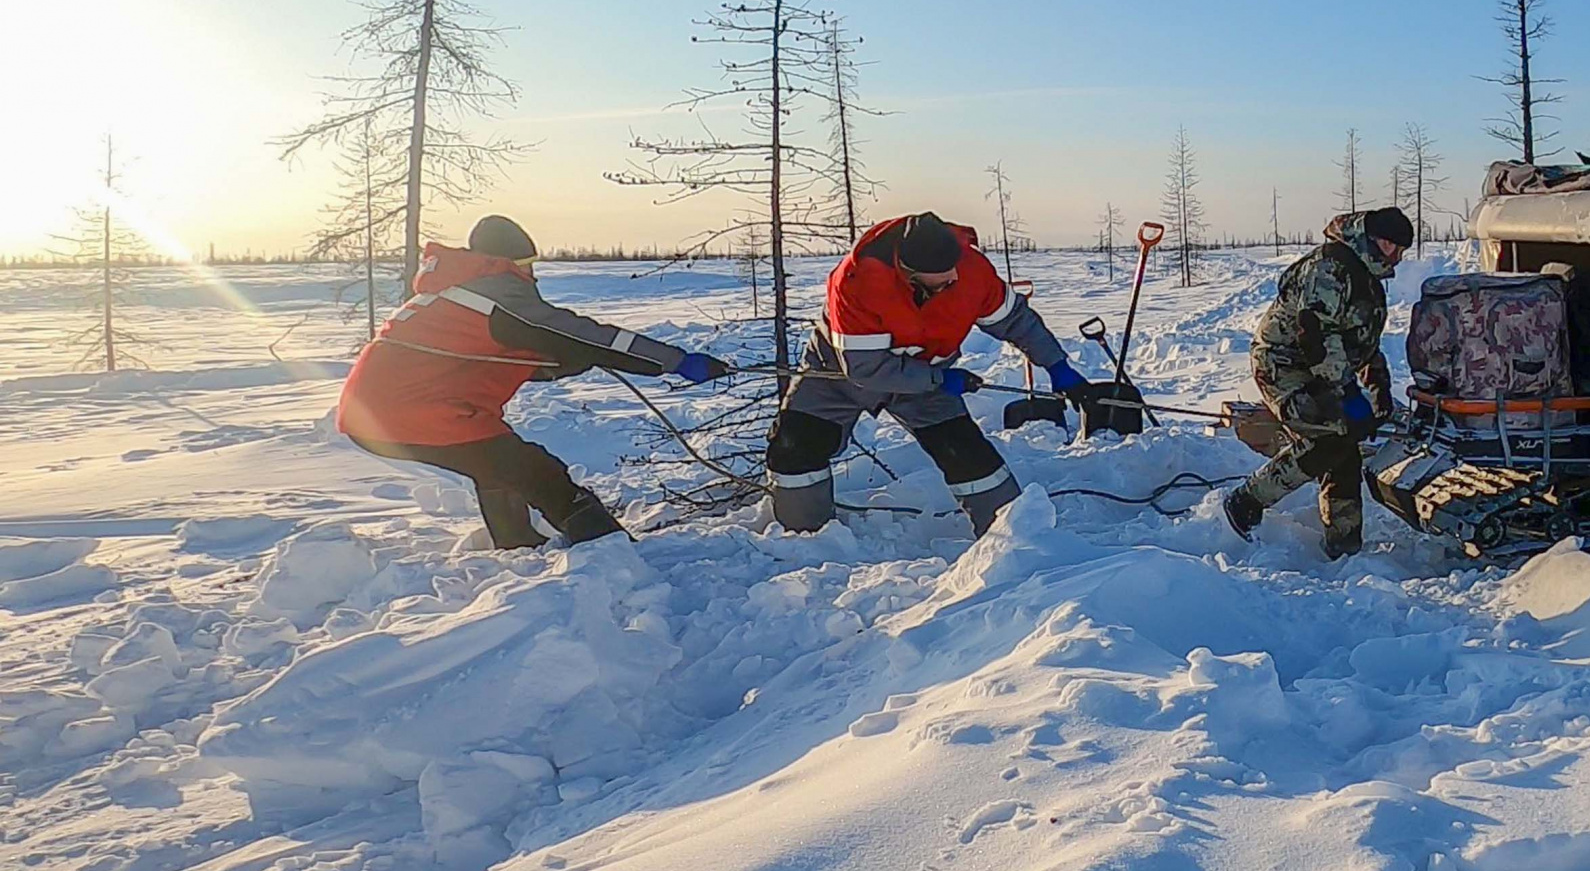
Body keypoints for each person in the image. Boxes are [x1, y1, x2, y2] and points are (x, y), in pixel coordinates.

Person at [337, 215, 731, 550]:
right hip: (409, 415)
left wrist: (558, 365)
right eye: (525, 261)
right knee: (535, 471)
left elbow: (479, 359)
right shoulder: (495, 297)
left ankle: (518, 547)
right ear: (501, 261)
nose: (531, 271)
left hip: (373, 416)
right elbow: (587, 336)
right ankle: (607, 548)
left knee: (498, 464)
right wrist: (676, 361)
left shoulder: (452, 295)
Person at [765, 212, 1089, 537]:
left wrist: (1057, 366)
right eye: (941, 282)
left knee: (966, 452)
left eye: (954, 275)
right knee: (795, 447)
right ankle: (803, 541)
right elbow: (866, 368)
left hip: (927, 375)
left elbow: (1017, 321)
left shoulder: (972, 272)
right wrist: (938, 380)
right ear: (909, 274)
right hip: (840, 374)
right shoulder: (856, 281)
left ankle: (1015, 534)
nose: (953, 282)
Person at [1224, 206, 1414, 557]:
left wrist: (1378, 387)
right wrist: (1349, 395)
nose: (1398, 258)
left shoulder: (1367, 277)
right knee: (1326, 439)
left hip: (1324, 368)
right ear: (1374, 240)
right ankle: (1246, 501)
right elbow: (1319, 340)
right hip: (1283, 364)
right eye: (1393, 248)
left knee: (1345, 447)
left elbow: (1362, 343)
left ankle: (1343, 545)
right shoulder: (1329, 269)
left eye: (1402, 251)